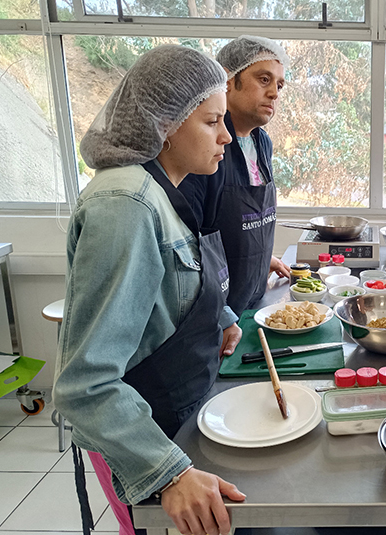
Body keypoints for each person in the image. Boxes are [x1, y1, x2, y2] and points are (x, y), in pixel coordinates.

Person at [54, 45, 247, 535]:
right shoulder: (126, 204)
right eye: (211, 122)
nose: (226, 136)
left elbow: (168, 284)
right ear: (165, 125)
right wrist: (171, 474)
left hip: (176, 413)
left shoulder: (161, 191)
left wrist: (218, 319)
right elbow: (85, 385)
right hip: (146, 436)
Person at [178, 36, 291, 321]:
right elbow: (191, 245)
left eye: (279, 85)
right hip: (216, 312)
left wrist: (264, 260)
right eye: (264, 79)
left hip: (255, 299)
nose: (274, 93)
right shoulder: (206, 147)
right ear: (227, 80)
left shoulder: (261, 143)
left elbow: (251, 222)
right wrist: (223, 316)